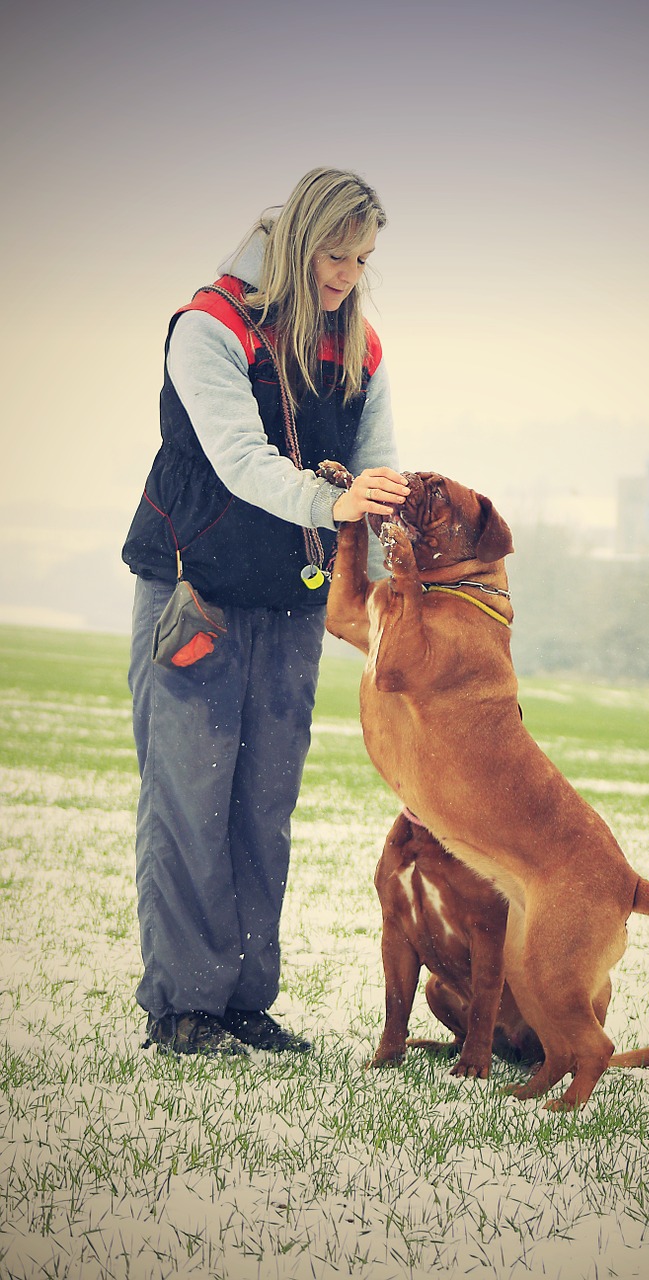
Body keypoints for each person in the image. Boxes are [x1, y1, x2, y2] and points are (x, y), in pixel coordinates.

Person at [122, 168, 408, 1056]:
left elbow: (378, 463)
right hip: (193, 589)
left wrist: (393, 537)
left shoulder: (358, 347)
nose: (346, 277)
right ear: (293, 242)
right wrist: (336, 508)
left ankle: (245, 999)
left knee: (261, 807)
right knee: (188, 800)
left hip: (291, 600)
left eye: (361, 260)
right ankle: (182, 1007)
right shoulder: (210, 326)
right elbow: (241, 458)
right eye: (333, 254)